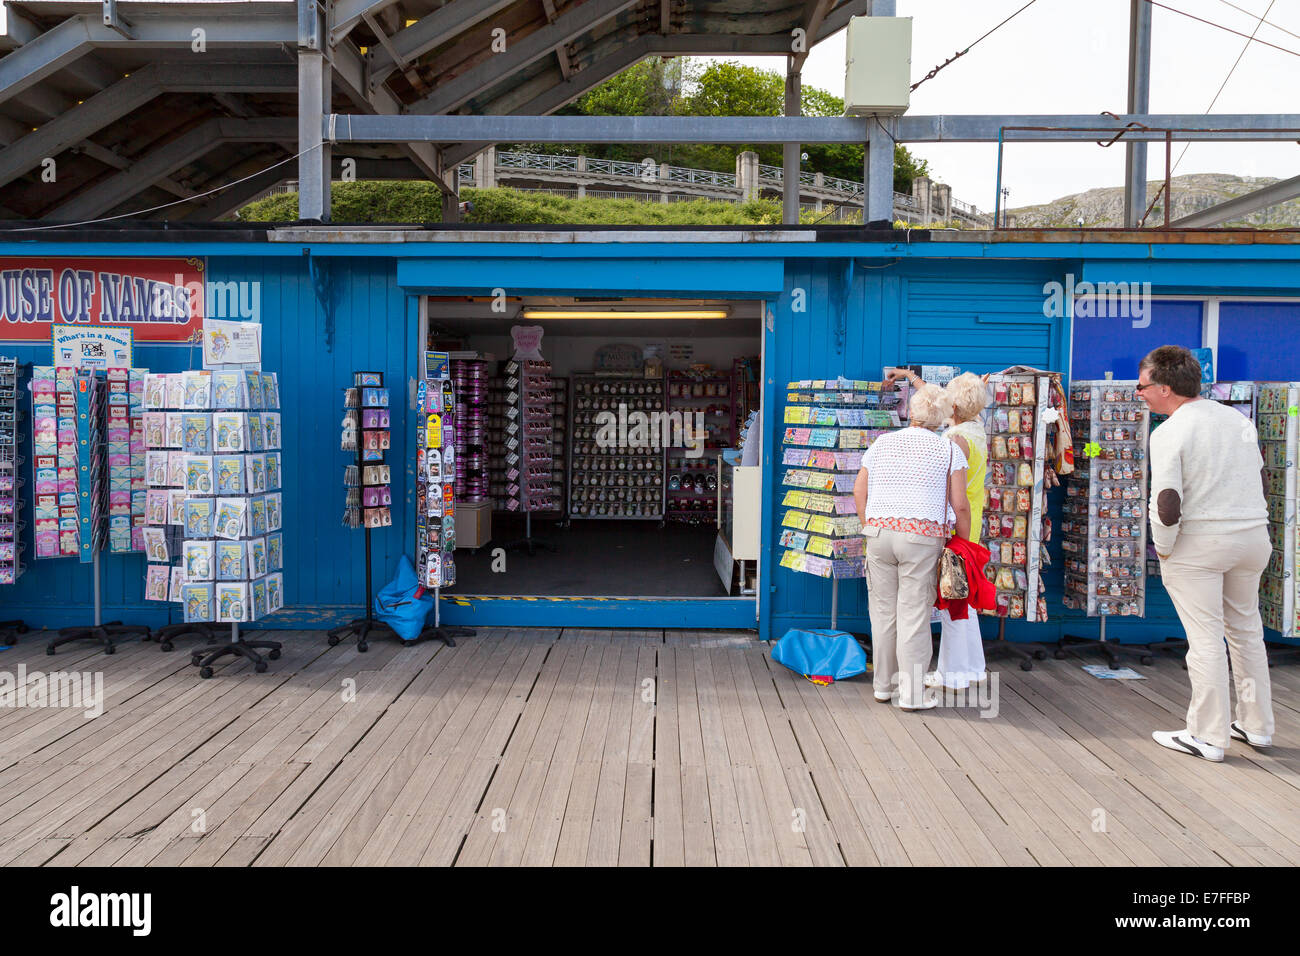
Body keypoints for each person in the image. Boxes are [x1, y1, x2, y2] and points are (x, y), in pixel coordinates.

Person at [1138, 345, 1274, 762]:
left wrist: (1162, 547)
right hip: (1252, 535)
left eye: (1142, 386)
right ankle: (1257, 726)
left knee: (1205, 640)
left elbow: (1167, 501)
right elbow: (1263, 478)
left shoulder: (1170, 432)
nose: (1138, 393)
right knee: (1247, 632)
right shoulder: (1237, 419)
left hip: (1200, 542)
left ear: (1164, 388)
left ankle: (1208, 735)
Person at [854, 383, 972, 710]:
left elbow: (859, 492)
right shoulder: (949, 450)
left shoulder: (882, 444)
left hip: (879, 534)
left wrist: (869, 524)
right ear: (942, 415)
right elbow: (960, 505)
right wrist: (962, 544)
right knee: (914, 615)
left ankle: (883, 686)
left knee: (882, 614)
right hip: (921, 538)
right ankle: (912, 694)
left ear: (912, 412)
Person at [888, 369, 990, 689]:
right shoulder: (977, 429)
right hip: (969, 522)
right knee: (963, 595)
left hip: (953, 525)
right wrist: (911, 378)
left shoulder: (953, 440)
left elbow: (946, 489)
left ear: (955, 409)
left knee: (952, 602)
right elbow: (938, 401)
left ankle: (954, 673)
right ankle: (972, 666)